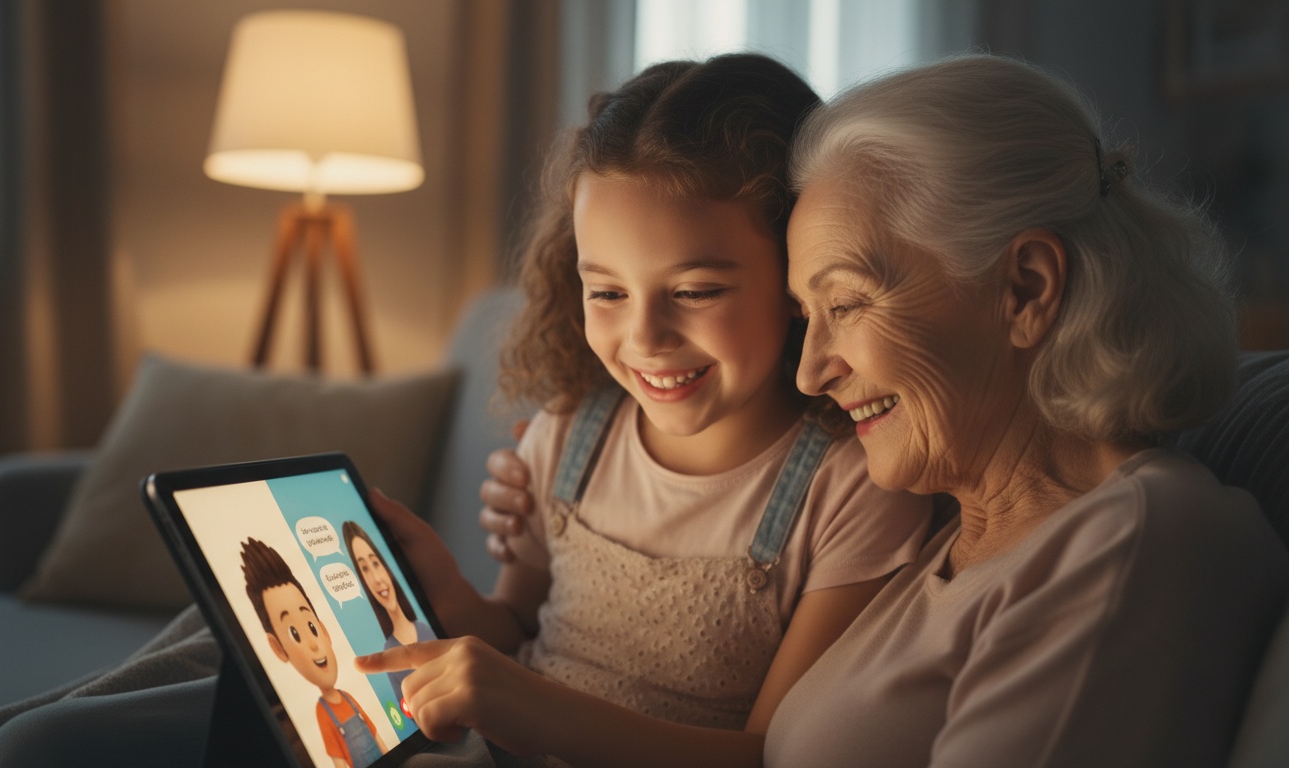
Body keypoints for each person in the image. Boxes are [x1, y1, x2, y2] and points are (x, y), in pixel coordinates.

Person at [468, 54, 1289, 767]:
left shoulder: (1132, 539)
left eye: (848, 304)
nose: (813, 371)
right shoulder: (950, 531)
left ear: (1026, 288)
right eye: (805, 313)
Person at [359, 52, 931, 765]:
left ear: (797, 277)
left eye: (695, 292)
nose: (645, 340)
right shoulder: (568, 434)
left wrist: (526, 706)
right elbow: (516, 628)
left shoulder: (852, 488)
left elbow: (770, 755)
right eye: (607, 293)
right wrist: (449, 596)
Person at [239, 537, 389, 768]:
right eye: (294, 633)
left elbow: (378, 739)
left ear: (324, 630)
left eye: (311, 627)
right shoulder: (323, 713)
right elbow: (338, 762)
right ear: (278, 649)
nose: (313, 645)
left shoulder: (350, 698)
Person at [341, 521, 435, 707]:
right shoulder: (388, 654)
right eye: (364, 569)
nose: (377, 579)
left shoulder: (425, 629)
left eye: (375, 563)